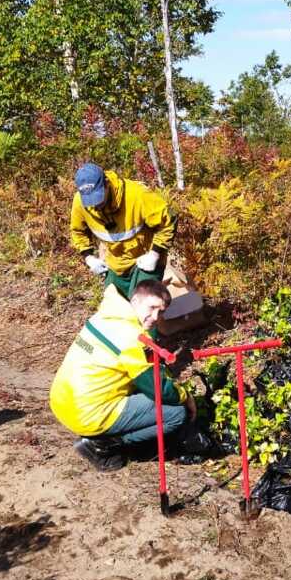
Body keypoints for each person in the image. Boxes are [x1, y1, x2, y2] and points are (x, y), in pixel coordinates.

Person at [50, 279, 194, 471]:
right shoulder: (132, 338)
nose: (155, 316)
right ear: (135, 301)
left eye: (160, 312)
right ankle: (104, 444)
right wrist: (186, 396)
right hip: (87, 414)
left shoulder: (105, 316)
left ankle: (102, 435)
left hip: (61, 401)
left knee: (138, 386)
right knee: (176, 413)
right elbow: (159, 389)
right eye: (151, 307)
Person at [70, 162, 176, 299]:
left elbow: (168, 221)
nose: (96, 205)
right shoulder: (80, 202)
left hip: (145, 259)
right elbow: (78, 231)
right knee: (116, 308)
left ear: (107, 184)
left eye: (98, 198)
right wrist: (89, 257)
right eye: (90, 200)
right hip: (115, 263)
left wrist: (154, 254)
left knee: (143, 306)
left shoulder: (137, 194)